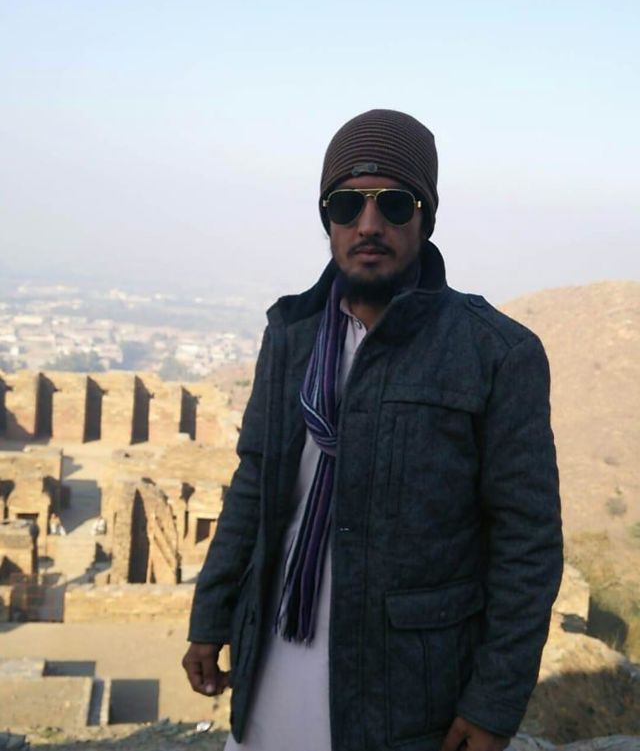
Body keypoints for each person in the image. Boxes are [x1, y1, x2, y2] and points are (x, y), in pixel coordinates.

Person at [183, 109, 563, 751]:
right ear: (327, 219)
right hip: (272, 663)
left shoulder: (494, 353)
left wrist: (494, 703)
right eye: (345, 204)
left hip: (404, 688)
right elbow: (256, 483)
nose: (368, 224)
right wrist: (212, 615)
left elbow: (527, 541)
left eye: (392, 202)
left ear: (424, 216)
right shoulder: (292, 336)